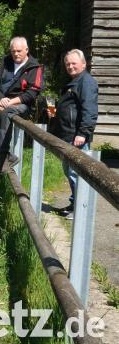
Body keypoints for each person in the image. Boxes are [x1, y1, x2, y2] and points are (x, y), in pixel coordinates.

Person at [0, 36, 43, 166]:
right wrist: (1, 98)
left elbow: (33, 92)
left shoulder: (35, 68)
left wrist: (11, 102)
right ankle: (7, 157)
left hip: (20, 105)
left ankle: (2, 160)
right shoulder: (5, 63)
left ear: (26, 50)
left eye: (19, 51)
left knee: (6, 112)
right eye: (13, 51)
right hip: (0, 102)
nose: (16, 54)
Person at [51, 49, 99, 219]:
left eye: (74, 63)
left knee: (75, 172)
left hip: (76, 137)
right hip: (68, 135)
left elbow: (90, 110)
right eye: (67, 64)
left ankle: (81, 209)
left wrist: (83, 133)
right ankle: (75, 203)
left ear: (84, 64)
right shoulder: (75, 81)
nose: (70, 66)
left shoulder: (86, 82)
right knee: (70, 171)